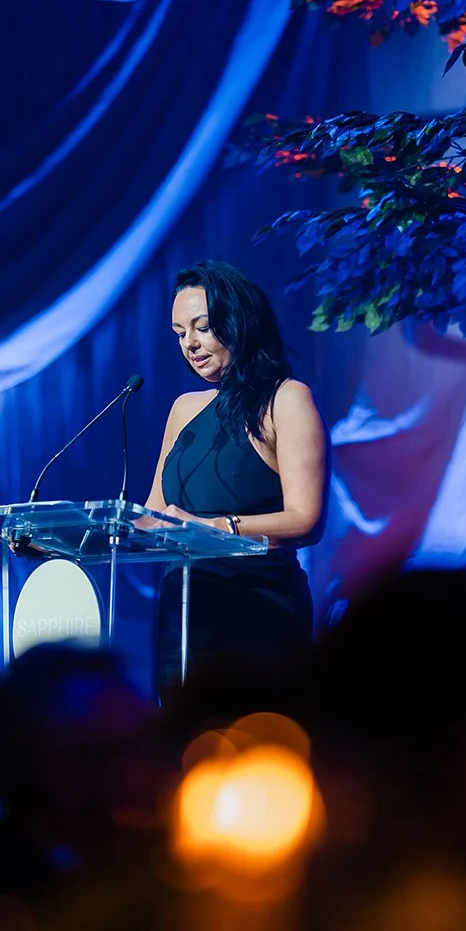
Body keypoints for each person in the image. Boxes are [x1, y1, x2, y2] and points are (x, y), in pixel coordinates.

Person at [145, 260, 329, 701]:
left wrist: (216, 530)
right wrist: (59, 538)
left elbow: (306, 520)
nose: (189, 343)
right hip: (183, 615)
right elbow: (153, 517)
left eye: (201, 327)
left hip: (256, 613)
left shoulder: (286, 399)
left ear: (237, 321)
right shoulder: (184, 409)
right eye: (179, 333)